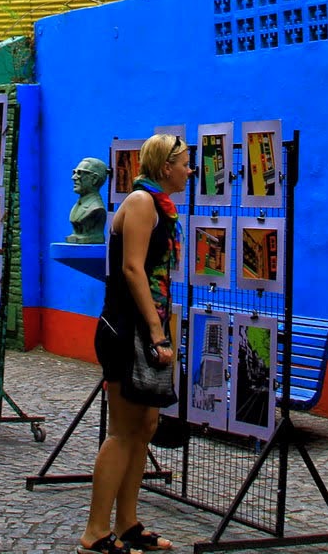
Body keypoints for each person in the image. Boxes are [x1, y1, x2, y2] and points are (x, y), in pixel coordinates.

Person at [78, 132, 190, 554]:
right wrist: (157, 332)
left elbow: (161, 279)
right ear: (165, 167)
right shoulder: (142, 203)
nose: (189, 170)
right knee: (123, 430)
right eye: (184, 163)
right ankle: (94, 532)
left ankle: (127, 523)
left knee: (145, 427)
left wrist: (164, 328)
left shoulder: (161, 206)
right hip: (127, 329)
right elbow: (132, 269)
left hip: (148, 326)